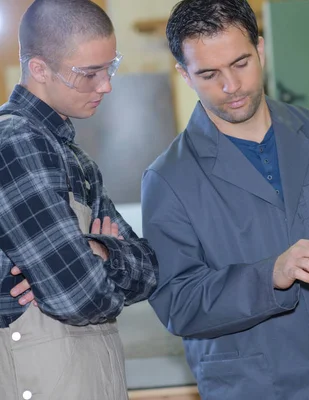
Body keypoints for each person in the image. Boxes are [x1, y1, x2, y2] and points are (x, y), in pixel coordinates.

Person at [141, 0, 309, 399]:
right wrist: (270, 274)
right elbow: (178, 303)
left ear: (261, 48)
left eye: (241, 63)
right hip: (259, 386)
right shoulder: (168, 179)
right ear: (184, 75)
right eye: (208, 74)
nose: (231, 86)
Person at [0, 1, 159, 399]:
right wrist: (102, 256)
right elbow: (79, 297)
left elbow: (150, 271)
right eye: (88, 74)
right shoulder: (16, 144)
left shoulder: (74, 157)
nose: (105, 85)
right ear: (39, 69)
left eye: (110, 67)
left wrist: (98, 252)